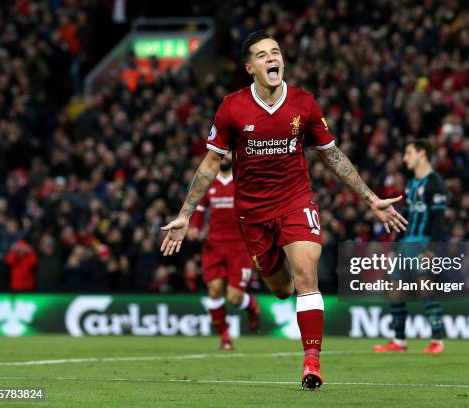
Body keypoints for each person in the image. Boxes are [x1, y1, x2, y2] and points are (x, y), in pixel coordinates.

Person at [161, 30, 407, 390]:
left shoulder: (304, 103)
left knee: (307, 274)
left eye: (275, 52)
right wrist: (185, 213)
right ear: (250, 68)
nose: (271, 58)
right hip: (253, 213)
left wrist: (370, 198)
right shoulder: (232, 107)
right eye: (262, 55)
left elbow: (332, 155)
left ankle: (312, 362)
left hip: (296, 201)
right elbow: (212, 162)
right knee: (280, 288)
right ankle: (278, 294)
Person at [373, 139, 448, 354]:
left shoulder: (434, 183)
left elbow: (439, 221)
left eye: (408, 153)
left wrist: (431, 250)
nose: (405, 158)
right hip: (406, 243)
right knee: (394, 291)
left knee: (425, 289)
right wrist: (395, 248)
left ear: (422, 153)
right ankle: (399, 341)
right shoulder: (411, 184)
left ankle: (437, 341)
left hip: (423, 243)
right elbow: (404, 218)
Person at [187, 152, 261, 350]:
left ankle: (252, 305)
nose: (226, 156)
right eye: (224, 153)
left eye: (230, 152)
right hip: (214, 246)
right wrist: (194, 227)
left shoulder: (243, 179)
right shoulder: (209, 181)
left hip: (240, 247)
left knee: (234, 298)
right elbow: (200, 209)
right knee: (214, 291)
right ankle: (225, 338)